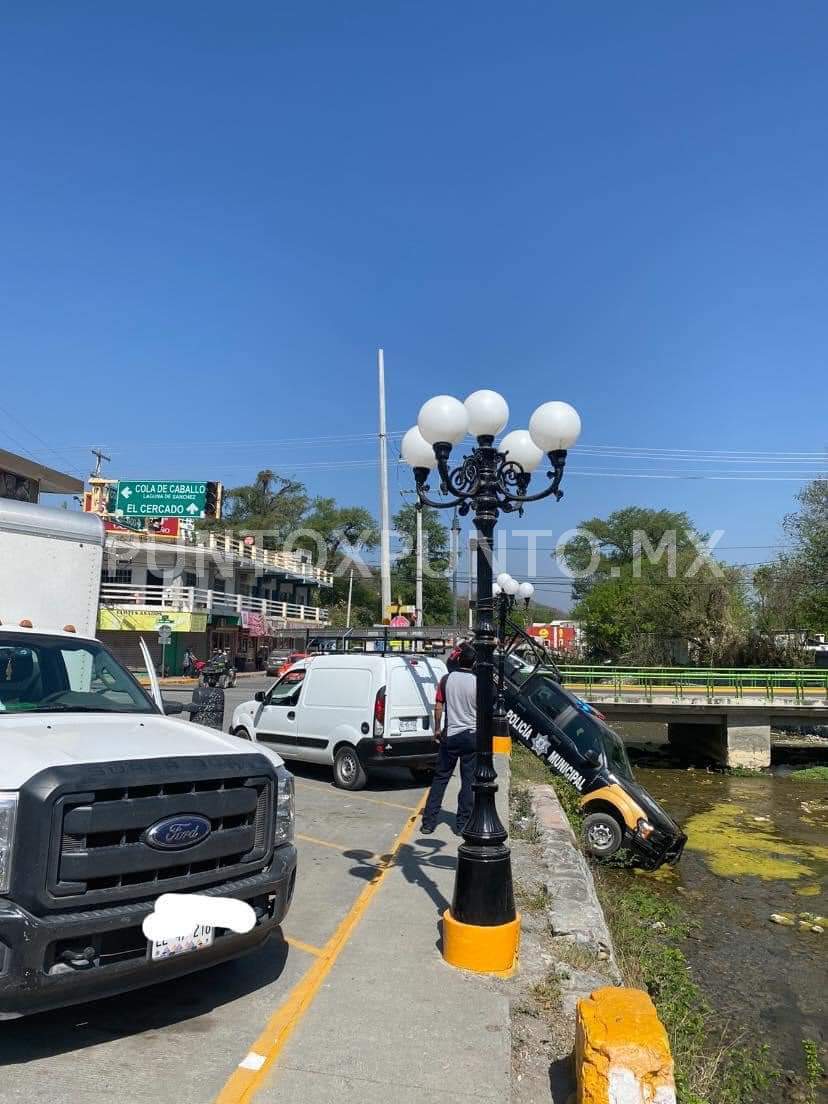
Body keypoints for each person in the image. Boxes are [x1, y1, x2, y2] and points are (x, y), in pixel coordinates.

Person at [421, 643, 477, 835]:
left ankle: (428, 822)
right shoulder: (478, 682)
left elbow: (438, 707)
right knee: (468, 781)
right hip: (471, 736)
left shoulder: (446, 680)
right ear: (474, 663)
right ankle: (461, 824)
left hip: (450, 735)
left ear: (459, 660)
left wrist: (437, 729)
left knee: (440, 778)